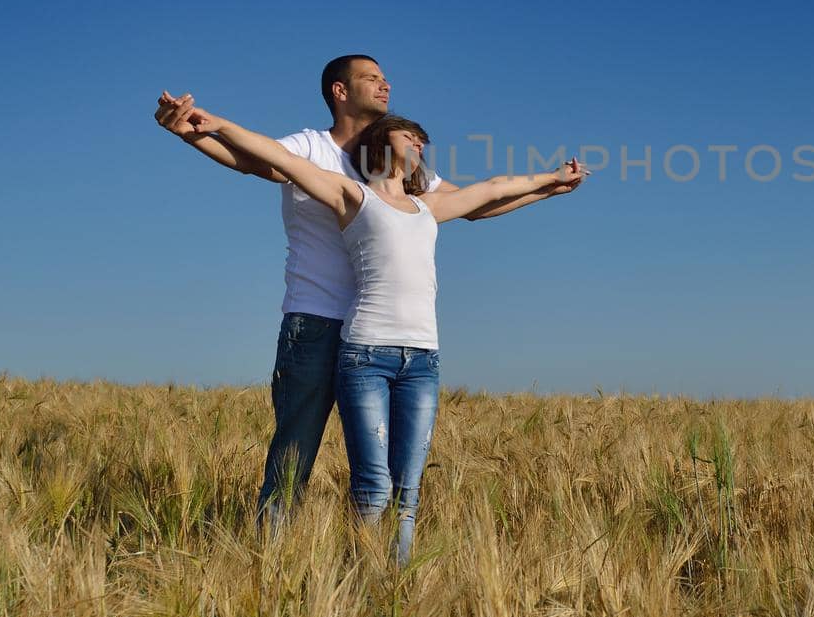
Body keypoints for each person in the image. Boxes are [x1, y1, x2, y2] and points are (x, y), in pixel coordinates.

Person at [154, 55, 575, 526]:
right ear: (339, 91)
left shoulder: (399, 165)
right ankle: (269, 561)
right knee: (295, 452)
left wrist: (547, 190)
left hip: (381, 333)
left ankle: (371, 565)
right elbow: (256, 160)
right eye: (371, 78)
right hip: (314, 321)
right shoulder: (311, 147)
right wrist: (193, 132)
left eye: (385, 77)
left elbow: (475, 203)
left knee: (382, 477)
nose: (385, 83)